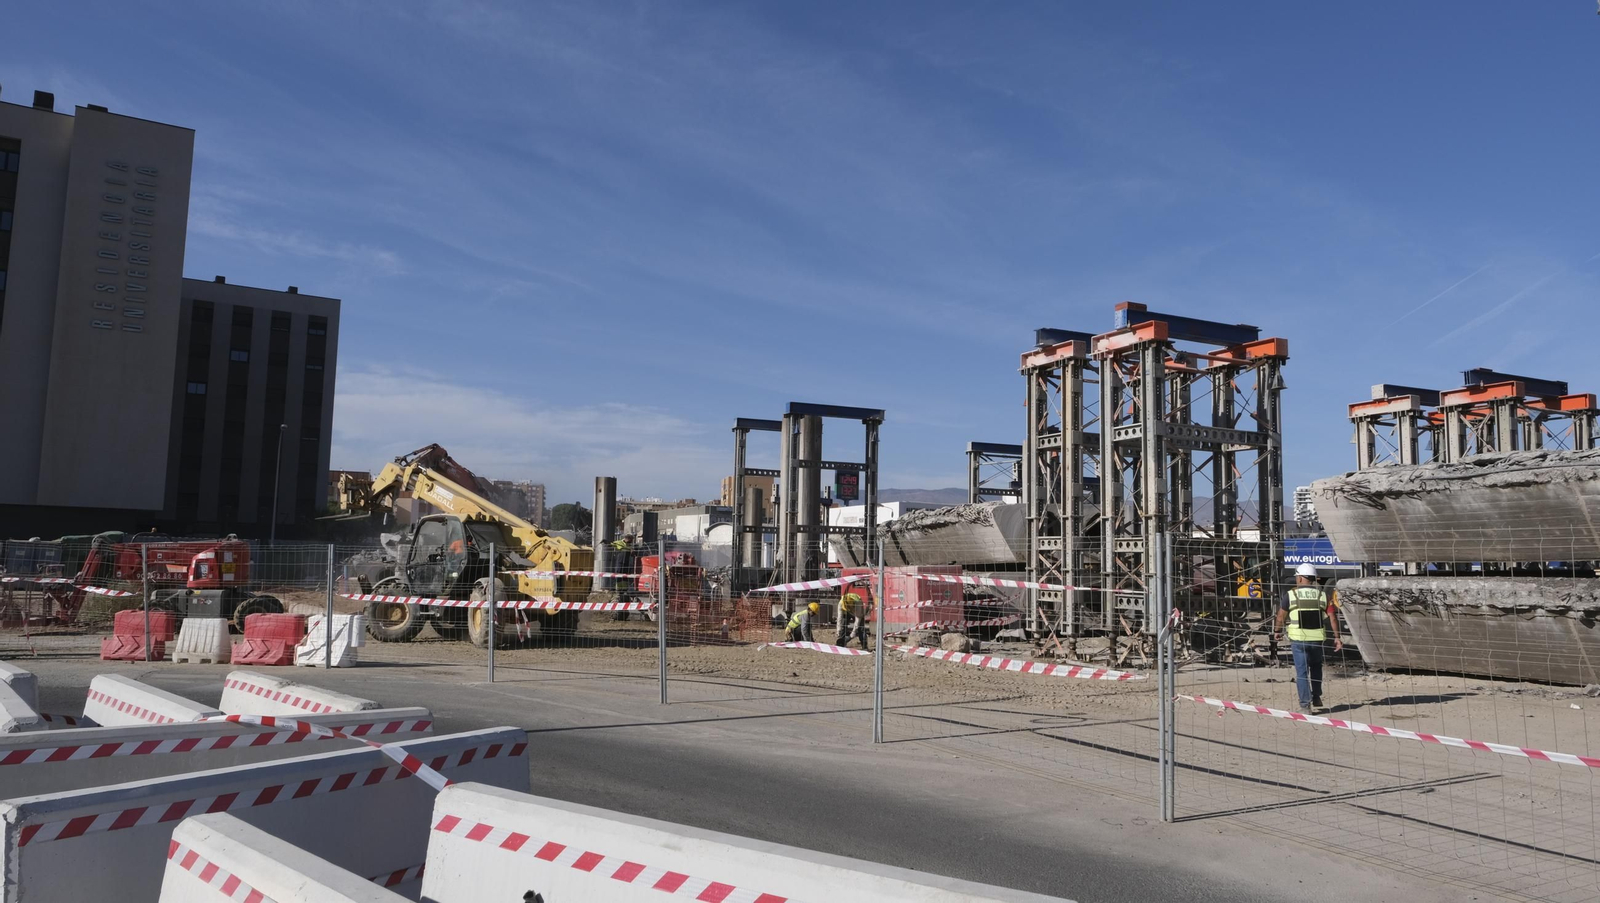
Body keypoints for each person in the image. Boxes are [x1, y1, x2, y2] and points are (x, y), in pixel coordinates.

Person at [1274, 563, 1343, 712]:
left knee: (1302, 672)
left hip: (1299, 640)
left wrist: (1277, 630)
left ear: (1299, 578)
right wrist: (1337, 637)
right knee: (1316, 667)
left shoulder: (1291, 595)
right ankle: (1316, 696)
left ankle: (1305, 705)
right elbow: (1332, 617)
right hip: (1317, 640)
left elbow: (1281, 616)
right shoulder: (1323, 596)